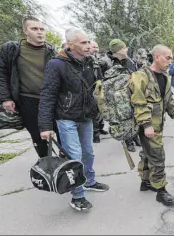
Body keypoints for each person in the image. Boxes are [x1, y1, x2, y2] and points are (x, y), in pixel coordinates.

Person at [39, 28, 109, 211]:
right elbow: (47, 95)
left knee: (88, 152)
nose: (88, 46)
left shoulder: (91, 63)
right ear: (70, 45)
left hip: (86, 116)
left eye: (88, 42)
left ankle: (89, 181)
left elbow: (98, 89)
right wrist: (45, 126)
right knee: (75, 156)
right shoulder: (56, 65)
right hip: (66, 117)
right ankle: (77, 196)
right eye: (83, 43)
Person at [0, 16, 60, 158]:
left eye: (42, 29)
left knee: (61, 133)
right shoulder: (11, 49)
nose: (40, 32)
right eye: (34, 29)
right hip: (27, 100)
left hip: (51, 100)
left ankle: (67, 167)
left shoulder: (50, 50)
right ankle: (46, 166)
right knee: (38, 137)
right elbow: (1, 74)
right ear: (25, 31)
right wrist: (6, 98)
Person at [130, 44, 174, 206]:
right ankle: (161, 190)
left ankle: (146, 182)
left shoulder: (165, 77)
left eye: (171, 58)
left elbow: (169, 99)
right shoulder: (141, 76)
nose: (170, 61)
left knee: (147, 153)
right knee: (158, 156)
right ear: (156, 57)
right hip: (148, 125)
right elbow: (139, 102)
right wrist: (146, 125)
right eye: (168, 57)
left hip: (157, 125)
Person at [106, 39, 141, 151]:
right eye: (124, 47)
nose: (127, 49)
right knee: (124, 119)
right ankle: (128, 141)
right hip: (117, 98)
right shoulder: (107, 63)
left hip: (131, 93)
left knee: (134, 116)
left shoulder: (129, 61)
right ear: (118, 50)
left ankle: (135, 136)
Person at [90, 41, 108, 143]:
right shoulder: (88, 59)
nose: (96, 49)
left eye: (97, 47)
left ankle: (100, 128)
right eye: (94, 47)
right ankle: (95, 134)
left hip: (100, 86)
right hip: (92, 89)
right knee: (94, 112)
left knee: (101, 110)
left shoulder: (100, 59)